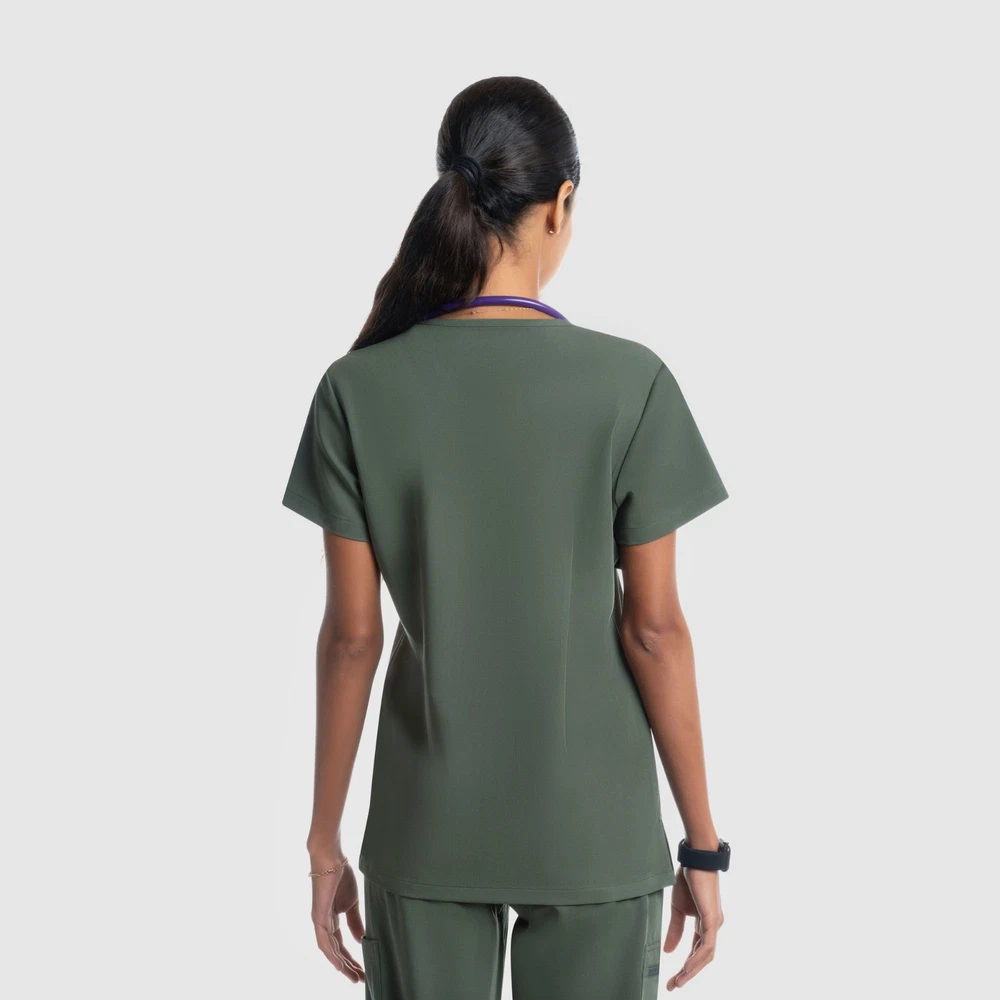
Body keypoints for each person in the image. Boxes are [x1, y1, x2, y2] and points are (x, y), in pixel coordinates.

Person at [282, 76, 730, 1000]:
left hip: (425, 829)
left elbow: (352, 639)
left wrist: (325, 843)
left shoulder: (355, 390)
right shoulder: (632, 384)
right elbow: (654, 632)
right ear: (561, 204)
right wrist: (701, 846)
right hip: (596, 833)